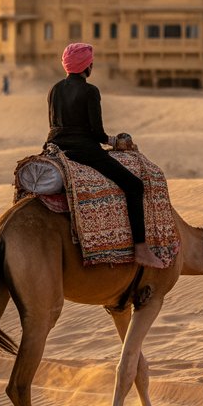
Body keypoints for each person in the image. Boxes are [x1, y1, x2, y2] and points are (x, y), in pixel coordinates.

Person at [46, 42, 168, 269]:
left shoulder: (54, 89)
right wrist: (115, 142)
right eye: (90, 63)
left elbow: (54, 125)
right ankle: (141, 248)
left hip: (54, 150)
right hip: (84, 152)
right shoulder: (90, 91)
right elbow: (97, 133)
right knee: (134, 186)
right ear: (87, 67)